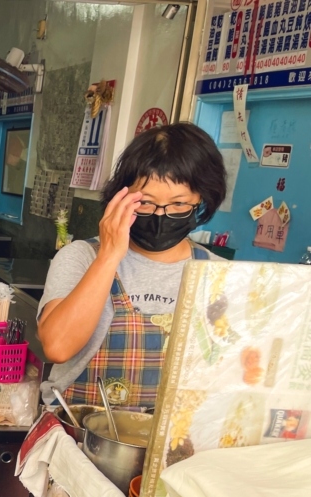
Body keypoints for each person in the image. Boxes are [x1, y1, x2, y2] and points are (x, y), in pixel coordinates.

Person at [38, 123, 227, 409]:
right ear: (122, 196)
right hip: (78, 438)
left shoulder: (219, 274)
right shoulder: (81, 257)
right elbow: (57, 347)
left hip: (176, 444)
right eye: (146, 203)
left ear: (201, 199)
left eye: (178, 204)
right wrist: (109, 255)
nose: (160, 216)